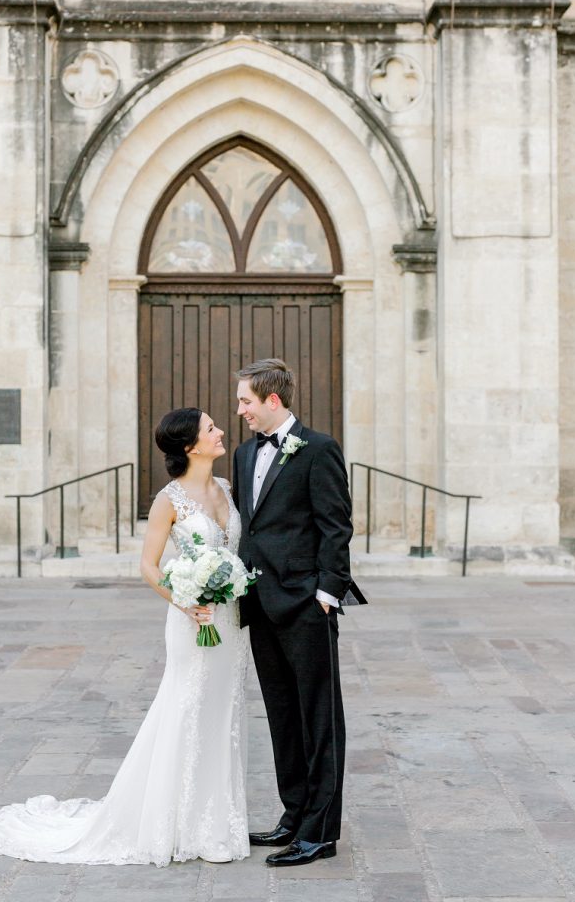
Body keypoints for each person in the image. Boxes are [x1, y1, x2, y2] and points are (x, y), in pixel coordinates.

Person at [0, 408, 250, 867]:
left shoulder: (225, 488)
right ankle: (173, 823)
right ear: (190, 446)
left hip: (228, 618)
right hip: (191, 620)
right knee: (187, 707)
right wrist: (183, 600)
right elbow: (148, 565)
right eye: (209, 428)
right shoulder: (169, 499)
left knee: (224, 712)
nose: (220, 430)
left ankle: (213, 823)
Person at [233, 358, 358, 868]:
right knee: (282, 715)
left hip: (307, 604)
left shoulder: (320, 449)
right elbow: (253, 528)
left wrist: (327, 594)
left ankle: (320, 832)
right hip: (260, 604)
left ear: (272, 401)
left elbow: (336, 526)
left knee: (318, 717)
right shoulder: (244, 454)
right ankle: (293, 813)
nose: (240, 411)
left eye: (246, 401)